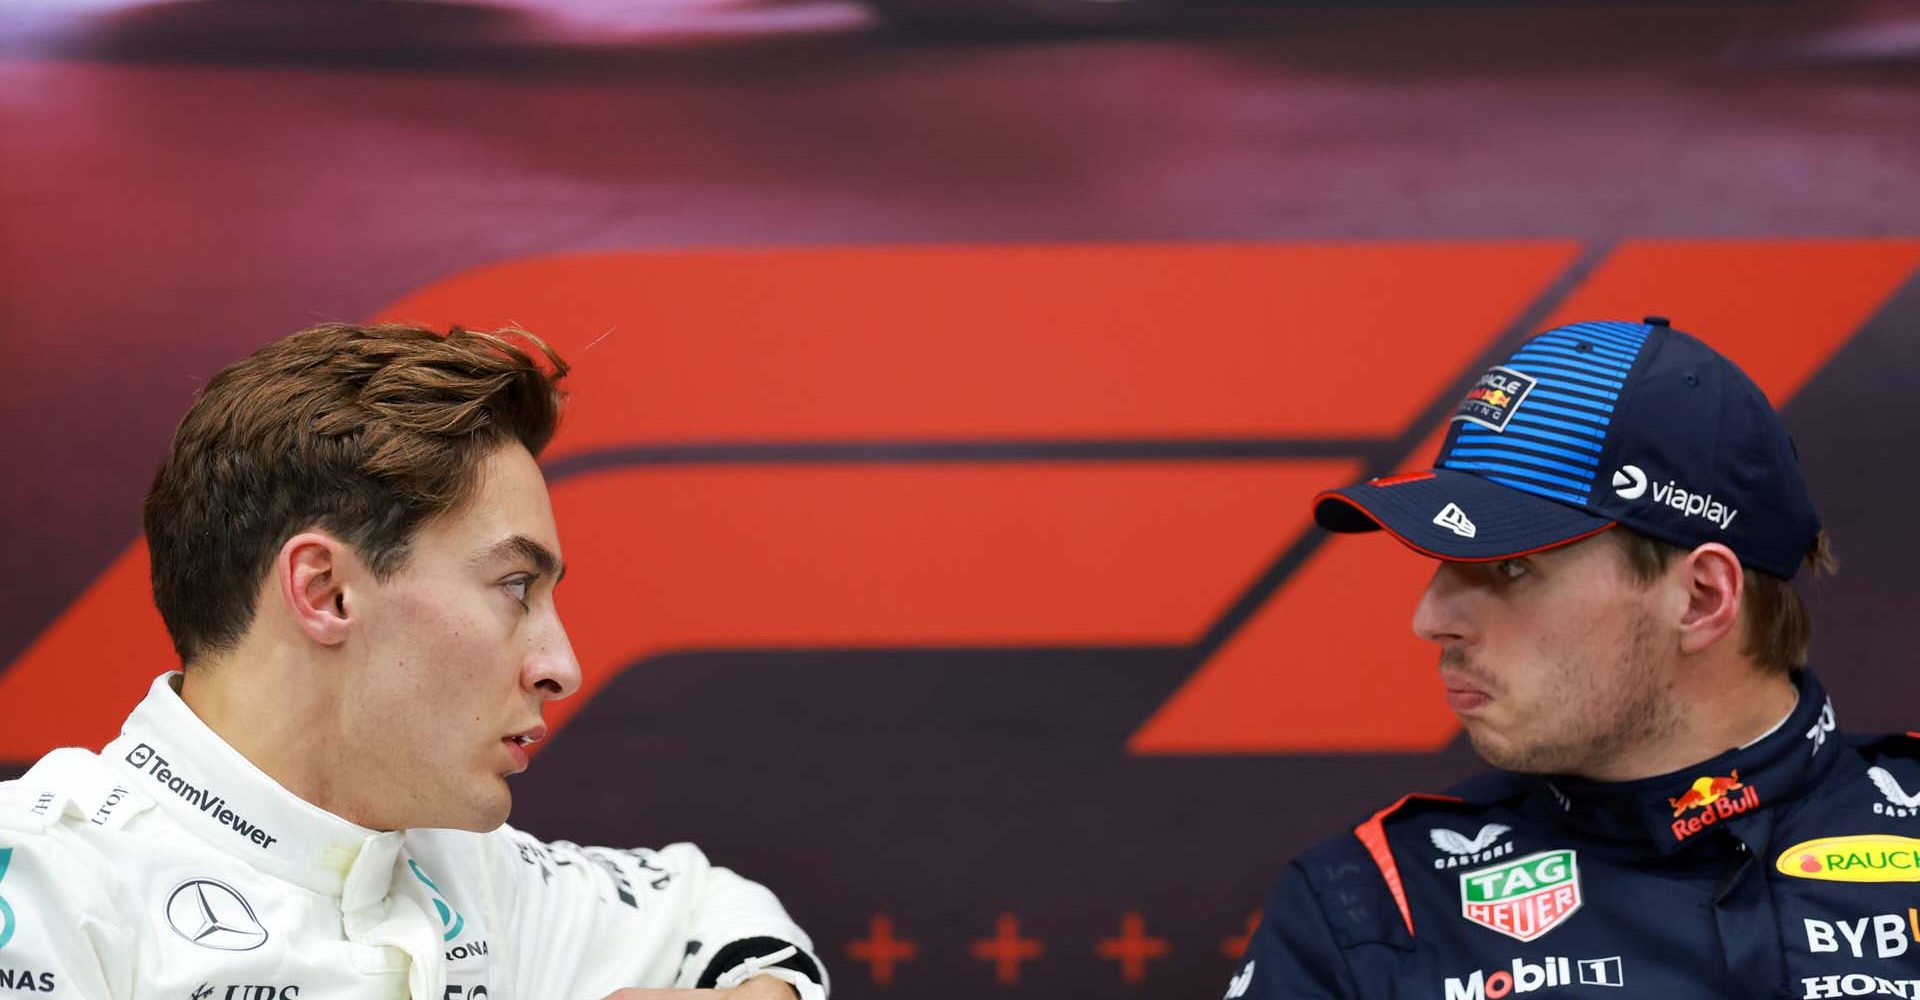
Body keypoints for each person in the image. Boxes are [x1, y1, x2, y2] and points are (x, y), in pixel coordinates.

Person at [0, 324, 827, 999]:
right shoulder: (39, 881)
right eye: (514, 585)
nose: (561, 668)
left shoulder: (478, 880)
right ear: (326, 592)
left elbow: (713, 910)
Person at [1225, 317, 1916, 1000]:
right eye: (1443, 563)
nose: (1429, 620)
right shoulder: (1373, 909)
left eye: (1513, 568)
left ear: (1703, 598)